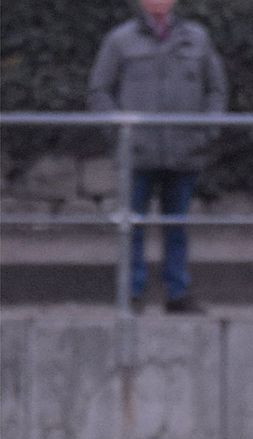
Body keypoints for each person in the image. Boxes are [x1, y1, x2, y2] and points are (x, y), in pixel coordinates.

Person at [88, 0, 227, 313]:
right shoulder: (119, 40)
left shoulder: (198, 38)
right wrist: (120, 135)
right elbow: (99, 91)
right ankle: (132, 295)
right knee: (132, 227)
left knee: (176, 227)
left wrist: (207, 131)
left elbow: (216, 90)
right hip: (137, 155)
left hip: (184, 152)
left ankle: (177, 294)